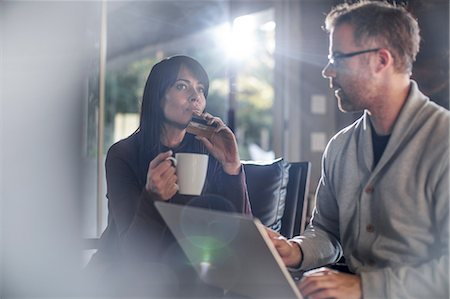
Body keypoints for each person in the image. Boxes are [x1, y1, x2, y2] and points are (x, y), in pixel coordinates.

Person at [267, 2, 449, 299]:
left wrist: (365, 288)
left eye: (338, 58)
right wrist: (295, 249)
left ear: (381, 60)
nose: (327, 71)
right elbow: (327, 232)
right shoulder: (340, 146)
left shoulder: (443, 141)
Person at [87, 55, 251, 297]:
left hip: (192, 275)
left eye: (201, 89)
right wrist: (152, 199)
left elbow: (240, 238)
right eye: (182, 86)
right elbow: (136, 253)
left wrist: (231, 166)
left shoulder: (208, 148)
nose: (195, 97)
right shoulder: (123, 154)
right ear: (158, 96)